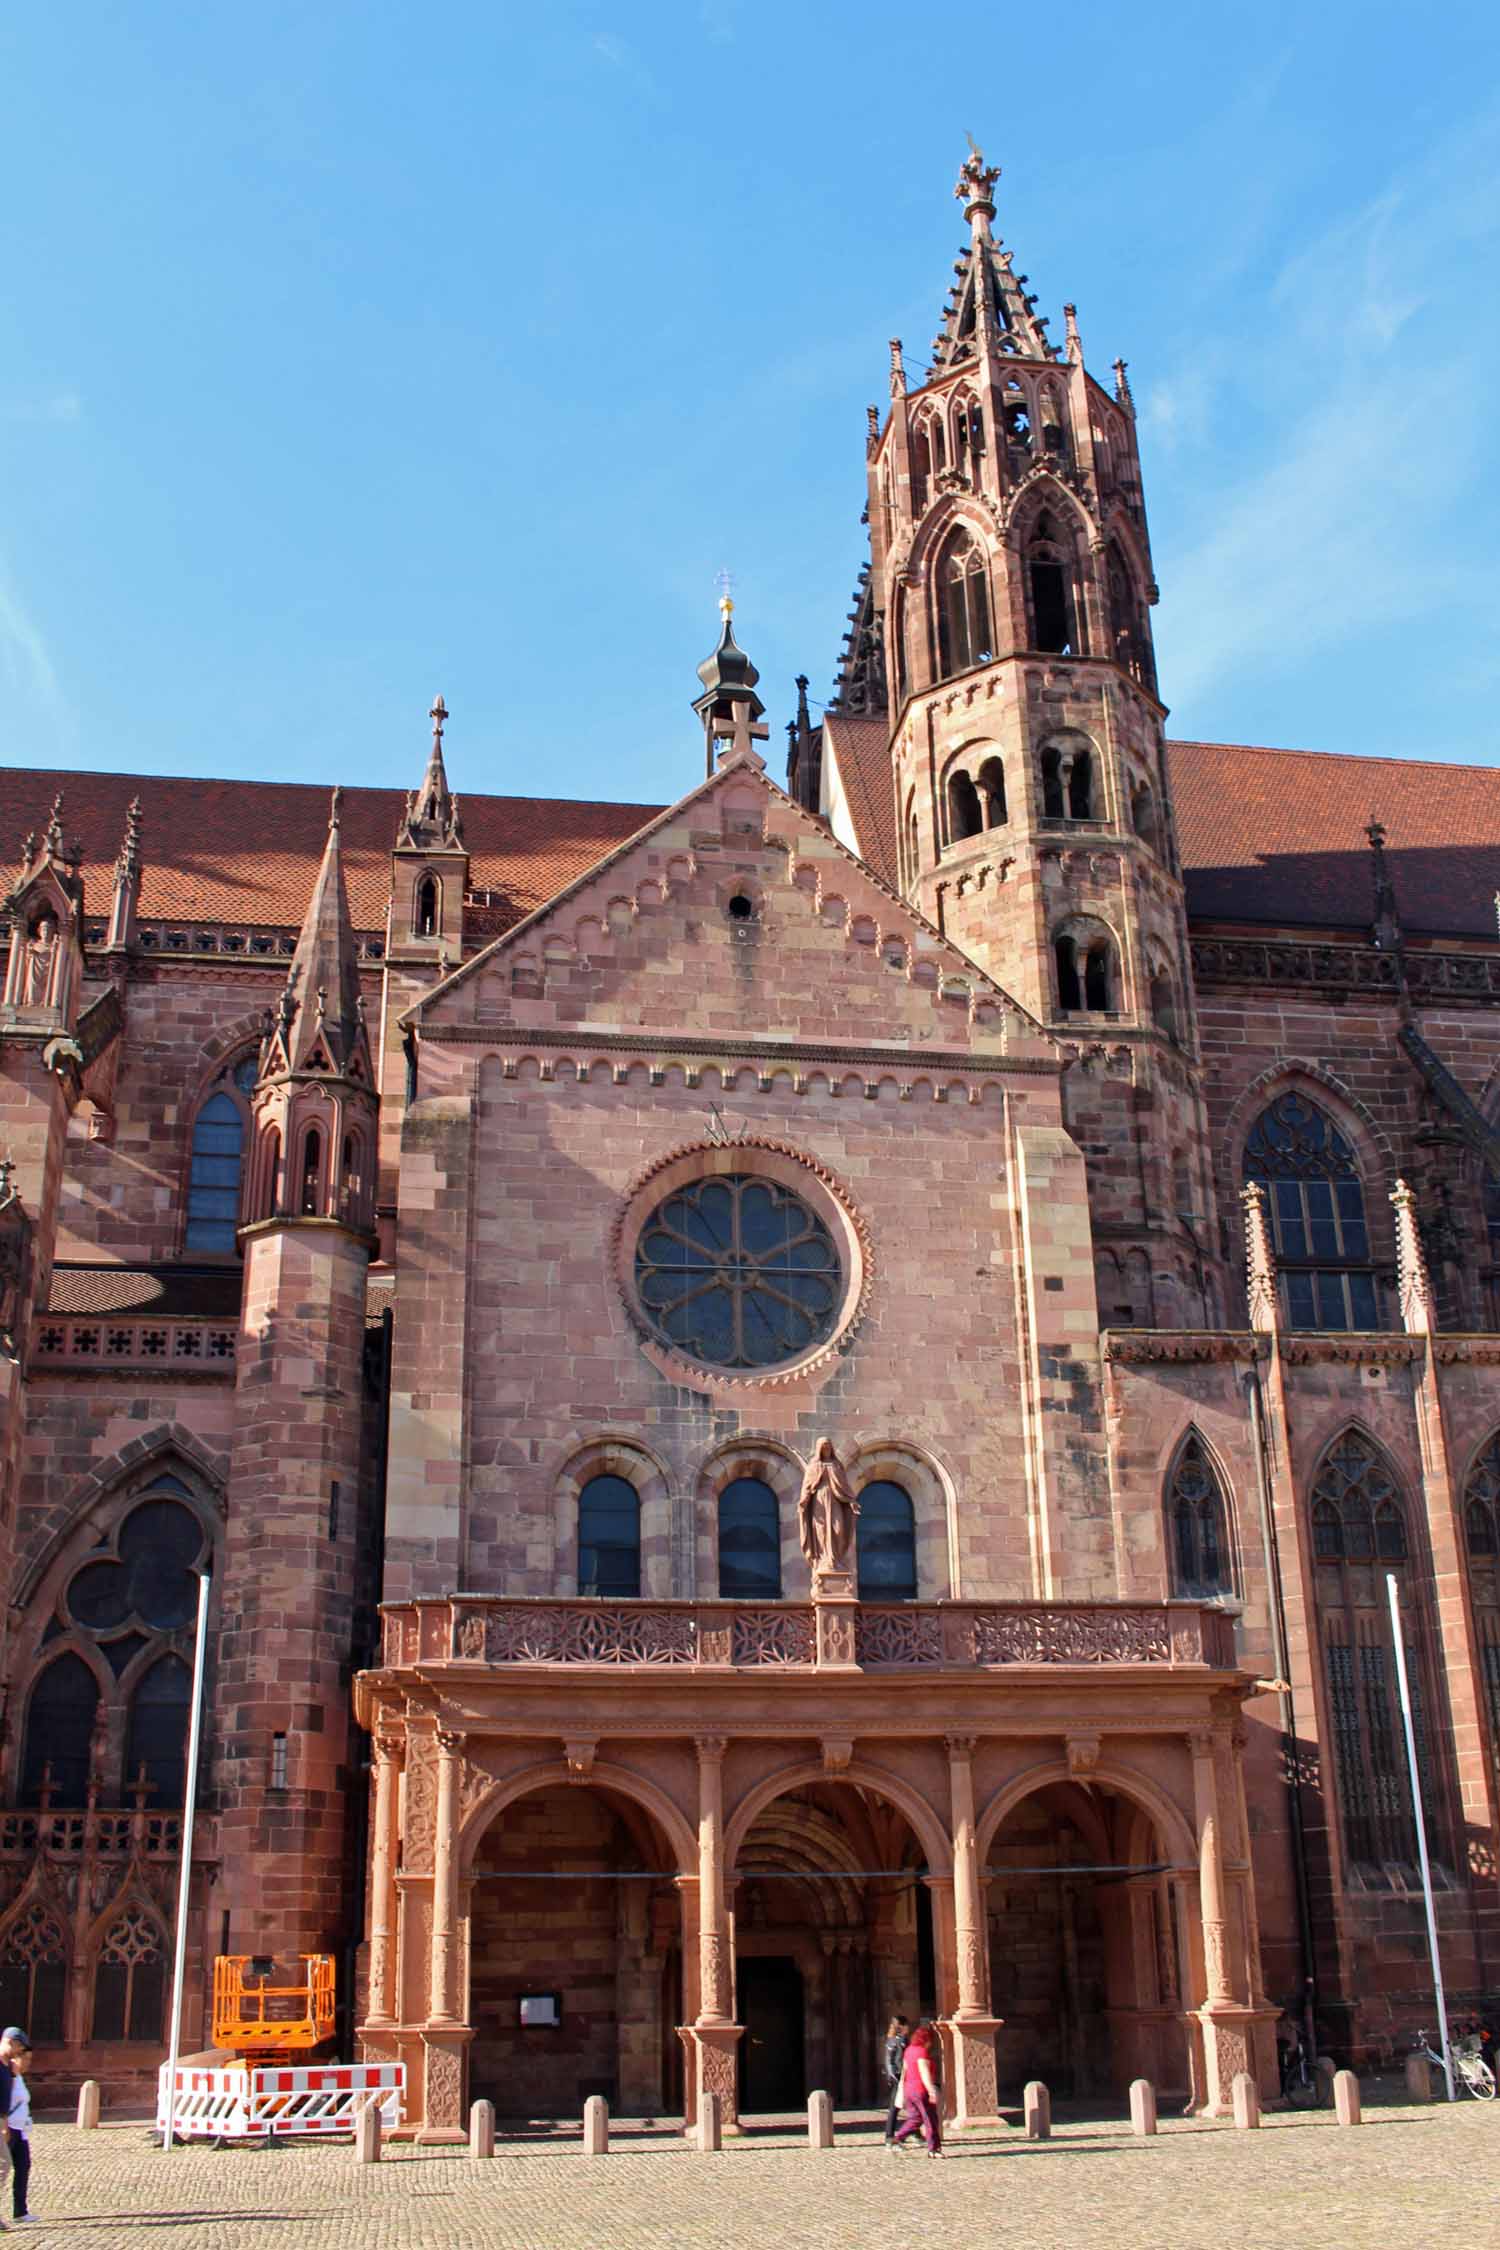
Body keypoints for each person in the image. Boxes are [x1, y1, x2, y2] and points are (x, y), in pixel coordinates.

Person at [890, 2023, 943, 2158]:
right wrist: (931, 2090)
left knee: (915, 2118)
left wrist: (902, 2089)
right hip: (920, 2090)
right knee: (930, 2120)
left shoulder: (909, 2050)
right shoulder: (921, 2052)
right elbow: (924, 2072)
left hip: (909, 2090)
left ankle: (897, 2139)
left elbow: (905, 2071)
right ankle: (934, 2149)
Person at [0, 2029, 28, 2226]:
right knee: (3, 2165)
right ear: (10, 2042)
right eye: (19, 2047)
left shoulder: (6, 2068)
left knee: (6, 2164)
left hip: (5, 2123)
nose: (20, 2052)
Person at [882, 2015, 909, 2146]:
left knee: (908, 2106)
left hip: (896, 2077)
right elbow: (898, 2061)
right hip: (900, 2076)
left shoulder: (890, 2040)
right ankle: (890, 2136)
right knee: (895, 2107)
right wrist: (899, 2079)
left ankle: (913, 2132)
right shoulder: (901, 2040)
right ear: (903, 2026)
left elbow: (888, 2062)